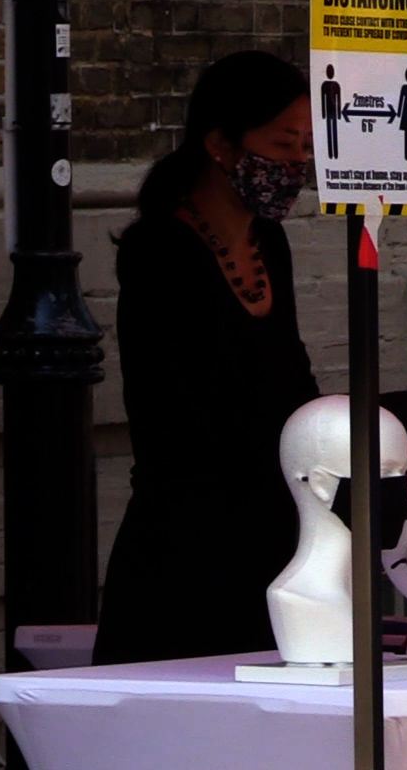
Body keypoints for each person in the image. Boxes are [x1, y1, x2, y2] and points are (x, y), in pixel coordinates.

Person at [93, 51, 323, 665]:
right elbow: (190, 408)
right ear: (220, 144)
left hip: (273, 540)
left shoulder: (268, 242)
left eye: (306, 144)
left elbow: (291, 376)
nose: (297, 162)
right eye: (282, 144)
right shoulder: (160, 250)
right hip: (188, 550)